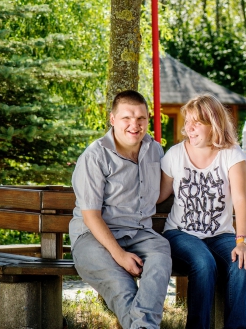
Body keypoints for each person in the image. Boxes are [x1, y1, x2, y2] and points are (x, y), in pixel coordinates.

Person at [69, 90, 172, 328]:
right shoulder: (95, 156)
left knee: (160, 256)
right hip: (92, 237)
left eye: (141, 119)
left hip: (140, 233)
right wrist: (120, 256)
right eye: (126, 118)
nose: (134, 125)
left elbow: (164, 189)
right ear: (113, 119)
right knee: (123, 287)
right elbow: (91, 216)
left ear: (148, 119)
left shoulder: (155, 150)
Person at [158, 94, 246, 329]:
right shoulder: (175, 154)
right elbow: (159, 196)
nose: (188, 129)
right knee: (203, 262)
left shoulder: (232, 154)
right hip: (180, 234)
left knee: (243, 264)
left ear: (214, 124)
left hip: (220, 235)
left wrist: (241, 241)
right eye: (187, 121)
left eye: (197, 123)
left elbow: (241, 201)